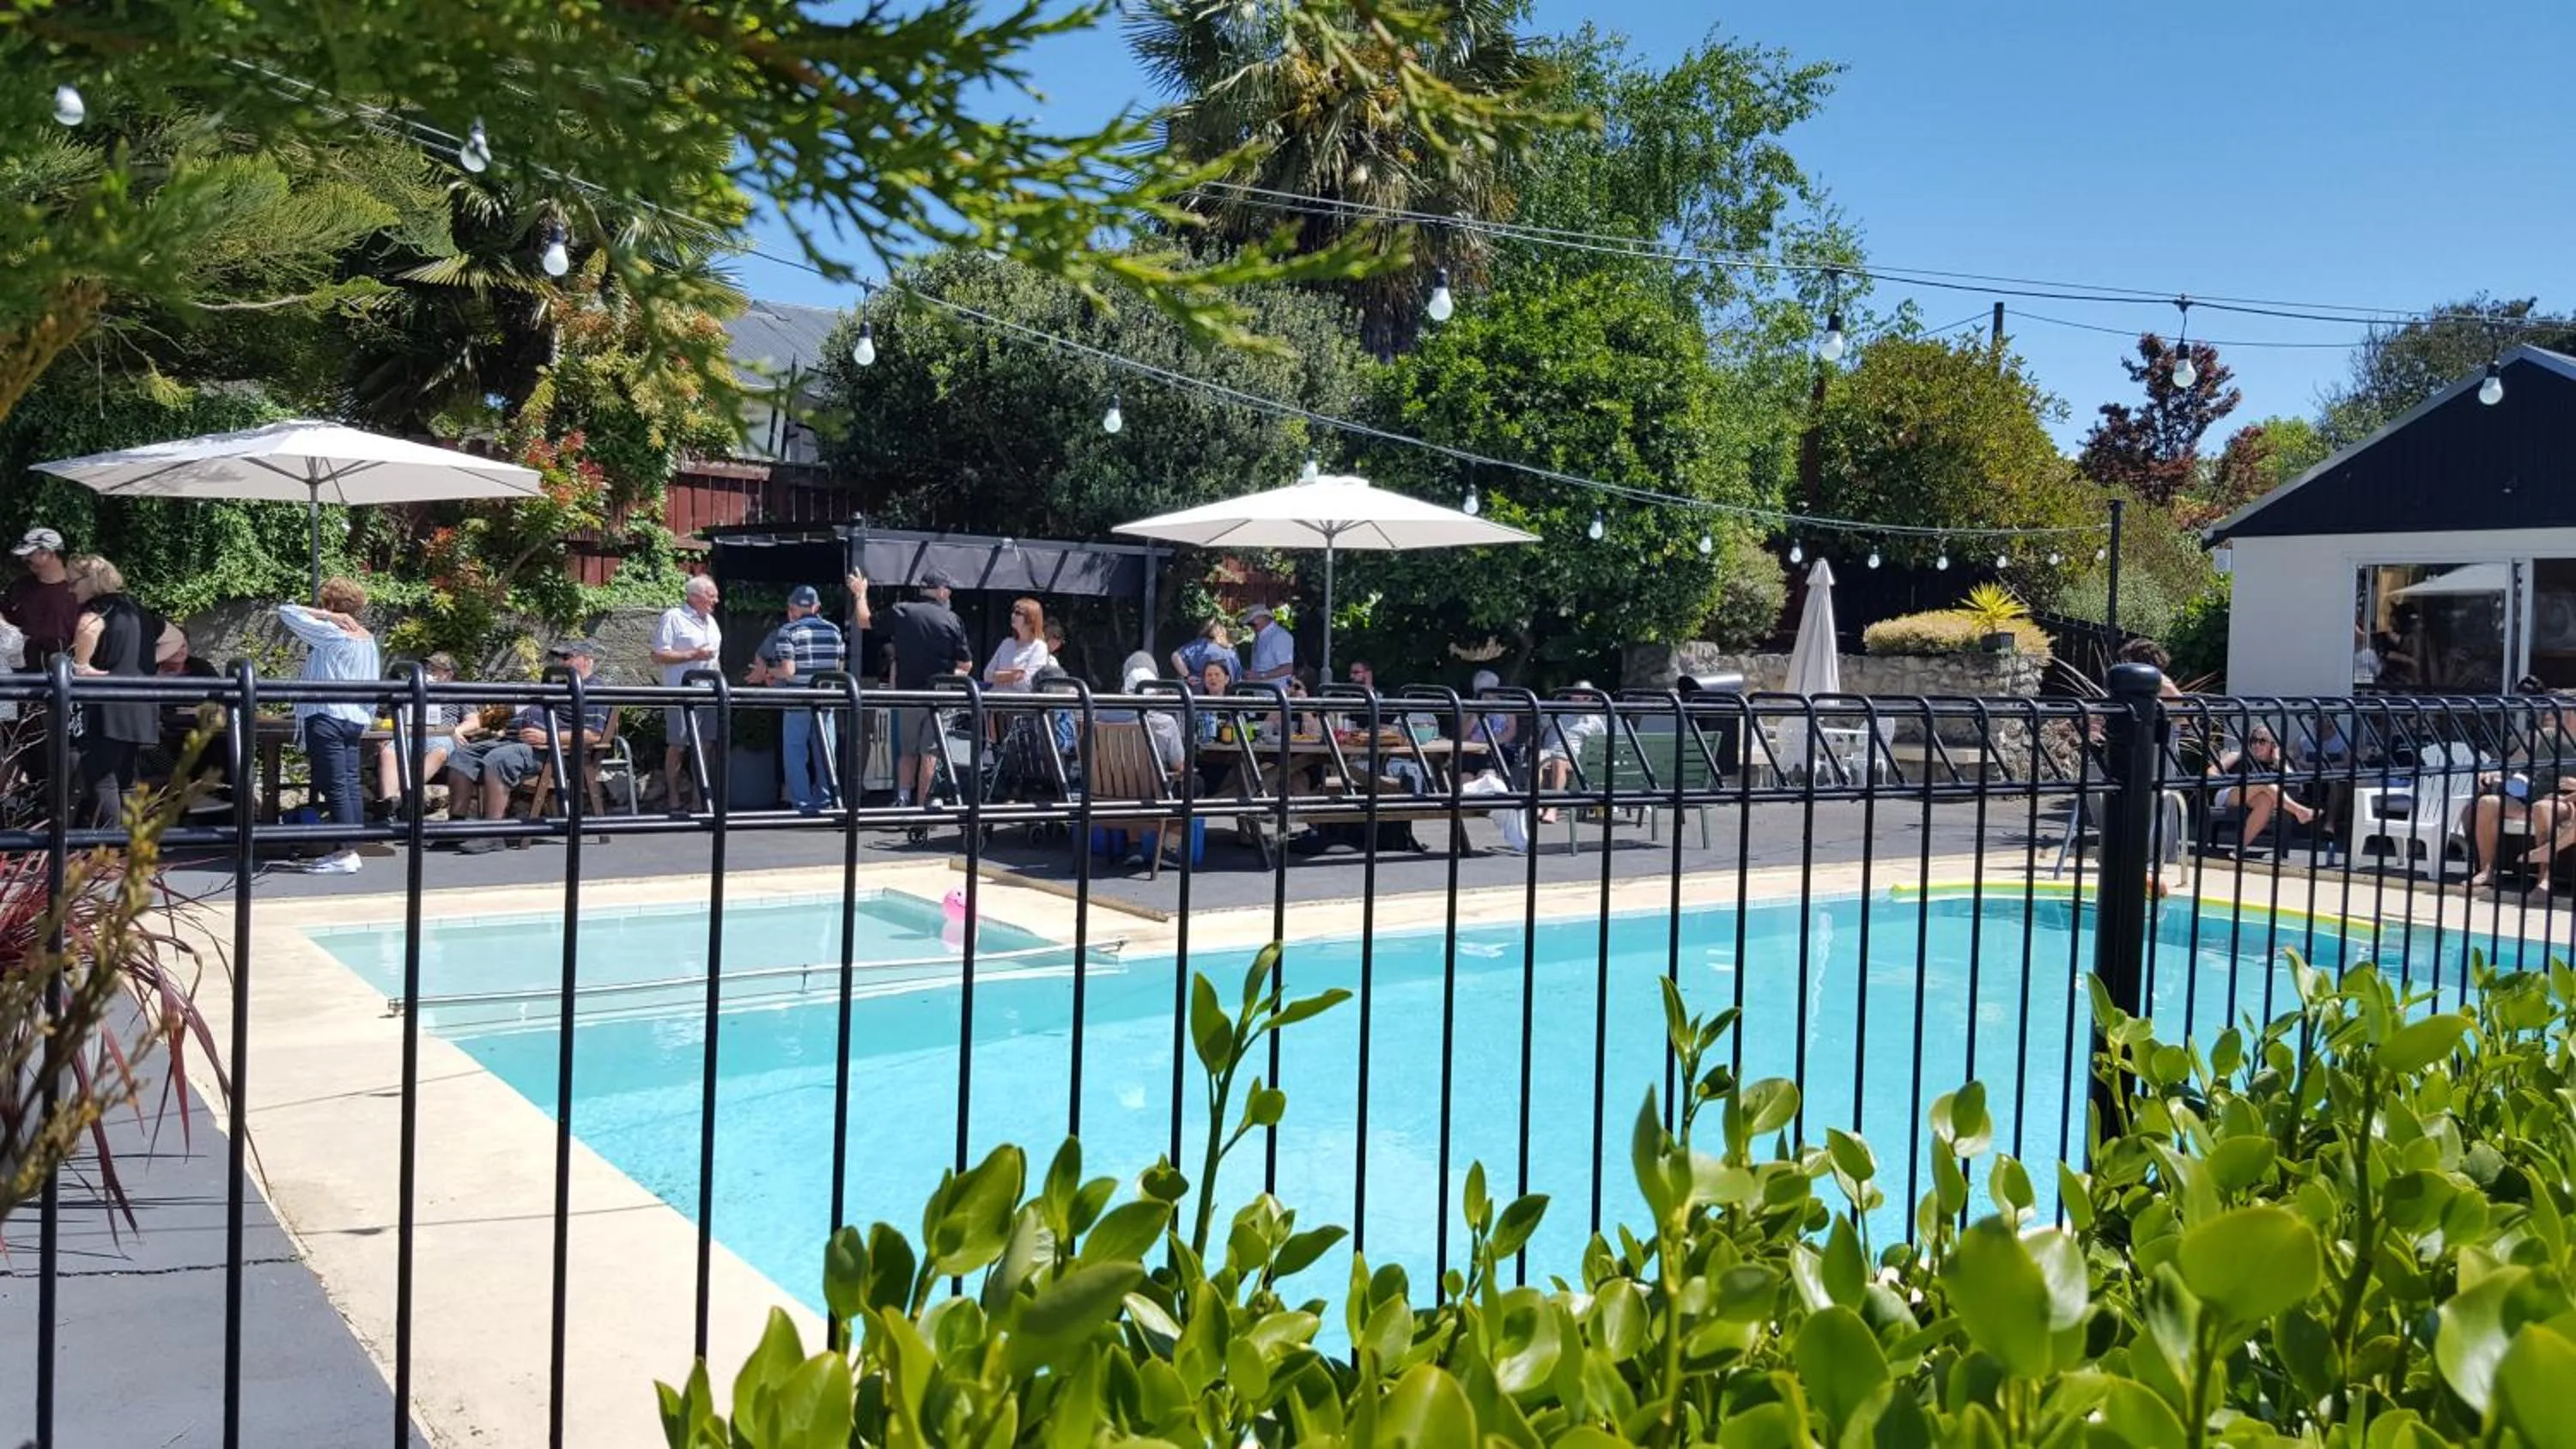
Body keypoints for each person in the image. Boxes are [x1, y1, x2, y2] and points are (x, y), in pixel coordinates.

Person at [451, 640, 611, 854]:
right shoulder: (557, 685)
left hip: (552, 751)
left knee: (498, 759)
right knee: (462, 755)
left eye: (567, 658)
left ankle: (493, 834)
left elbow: (592, 735)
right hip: (517, 740)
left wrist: (547, 736)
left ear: (587, 660)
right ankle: (455, 827)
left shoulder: (593, 689)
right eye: (558, 657)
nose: (560, 662)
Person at [273, 576, 383, 874]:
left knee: (335, 784)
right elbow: (373, 681)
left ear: (332, 604)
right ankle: (347, 849)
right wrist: (365, 717)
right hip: (353, 718)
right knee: (347, 782)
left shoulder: (332, 633)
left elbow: (286, 610)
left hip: (327, 715)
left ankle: (346, 853)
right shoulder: (367, 638)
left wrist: (328, 616)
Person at [63, 556, 160, 830]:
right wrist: (141, 668)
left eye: (73, 583)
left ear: (90, 581)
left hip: (107, 705)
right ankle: (128, 848)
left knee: (101, 778)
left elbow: (87, 628)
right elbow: (174, 638)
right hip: (140, 701)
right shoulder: (137, 609)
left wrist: (81, 666)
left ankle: (108, 849)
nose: (70, 590)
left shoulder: (97, 609)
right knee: (127, 780)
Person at [751, 584, 850, 814]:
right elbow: (839, 668)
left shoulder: (789, 631)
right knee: (826, 753)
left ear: (792, 609)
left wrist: (767, 673)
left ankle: (803, 804)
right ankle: (826, 801)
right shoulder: (834, 631)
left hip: (797, 700)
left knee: (795, 755)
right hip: (826, 700)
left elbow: (788, 671)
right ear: (817, 607)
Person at [2467, 695, 2576, 893]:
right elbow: (2513, 766)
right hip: (2534, 799)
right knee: (2487, 804)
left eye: (2570, 711)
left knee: (2542, 809)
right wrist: (2493, 774)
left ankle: (2544, 878)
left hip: (2566, 803)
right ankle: (2486, 871)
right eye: (2564, 710)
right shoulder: (2544, 736)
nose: (2564, 715)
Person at [883, 567, 971, 809]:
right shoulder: (952, 619)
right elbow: (966, 663)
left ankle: (902, 799)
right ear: (941, 591)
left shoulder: (902, 611)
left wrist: (860, 594)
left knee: (907, 751)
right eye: (949, 590)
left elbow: (864, 621)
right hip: (938, 695)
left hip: (909, 694)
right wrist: (949, 676)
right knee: (930, 753)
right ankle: (924, 808)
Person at [374, 652, 479, 821]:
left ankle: (402, 799)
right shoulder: (413, 687)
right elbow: (385, 713)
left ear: (448, 674)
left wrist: (456, 731)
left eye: (434, 669)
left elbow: (474, 722)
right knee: (388, 752)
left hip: (443, 734)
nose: (428, 672)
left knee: (440, 750)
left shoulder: (458, 691)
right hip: (411, 733)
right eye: (427, 668)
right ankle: (389, 809)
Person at [649, 574, 722, 812]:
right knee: (678, 745)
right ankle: (673, 797)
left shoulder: (711, 621)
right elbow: (658, 655)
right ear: (695, 596)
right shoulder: (674, 617)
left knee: (706, 745)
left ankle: (700, 798)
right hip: (681, 692)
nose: (716, 600)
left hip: (708, 693)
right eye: (712, 595)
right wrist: (693, 655)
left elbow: (714, 658)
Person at [1116, 652, 1188, 869]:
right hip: (1155, 789)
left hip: (1115, 790)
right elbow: (1178, 765)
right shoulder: (1165, 722)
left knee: (1130, 781)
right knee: (1191, 785)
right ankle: (1168, 848)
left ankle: (1134, 846)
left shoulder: (1102, 716)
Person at [2206, 724, 2315, 855]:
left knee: (2266, 800)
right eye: (2253, 740)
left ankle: (2240, 848)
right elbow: (2210, 773)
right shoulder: (2238, 754)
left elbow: (2296, 784)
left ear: (2272, 745)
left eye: (2262, 741)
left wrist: (2277, 760)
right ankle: (2300, 811)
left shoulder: (2277, 762)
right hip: (2230, 794)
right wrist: (2234, 780)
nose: (2257, 745)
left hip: (2259, 799)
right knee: (2265, 782)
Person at [7, 527, 82, 668]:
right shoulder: (19, 586)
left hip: (66, 673)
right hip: (21, 672)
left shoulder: (79, 589)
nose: (24, 559)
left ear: (50, 554)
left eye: (30, 554)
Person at [1534, 684, 1607, 825]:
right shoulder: (1558, 711)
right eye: (1576, 696)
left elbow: (1602, 745)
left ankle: (1552, 808)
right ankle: (1537, 804)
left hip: (1572, 757)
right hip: (1549, 751)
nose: (1580, 700)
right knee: (1538, 757)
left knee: (1558, 762)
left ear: (1590, 699)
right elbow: (1538, 728)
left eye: (1586, 697)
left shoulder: (1593, 720)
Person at [983, 597, 1050, 692]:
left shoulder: (1039, 647)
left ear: (1031, 619)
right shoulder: (1006, 643)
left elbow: (1027, 683)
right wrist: (1013, 675)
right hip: (994, 699)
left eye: (1018, 613)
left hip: (1018, 703)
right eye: (1013, 612)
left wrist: (998, 676)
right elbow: (987, 675)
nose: (1013, 616)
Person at [1172, 619, 1240, 687]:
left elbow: (1175, 656)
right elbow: (1238, 678)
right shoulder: (1232, 651)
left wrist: (1187, 676)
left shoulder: (1200, 645)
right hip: (1227, 694)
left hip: (1201, 693)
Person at [1241, 603, 1295, 684]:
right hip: (1261, 690)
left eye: (1252, 624)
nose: (1251, 627)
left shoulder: (1280, 636)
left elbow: (1287, 668)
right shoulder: (1259, 636)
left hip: (1275, 691)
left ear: (1263, 618)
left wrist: (1259, 676)